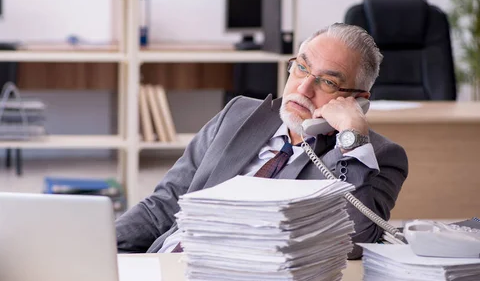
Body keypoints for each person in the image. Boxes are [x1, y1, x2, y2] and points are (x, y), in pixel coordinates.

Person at [116, 23, 408, 259]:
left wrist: (352, 140)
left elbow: (353, 243)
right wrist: (101, 247)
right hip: (166, 266)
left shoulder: (380, 156)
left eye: (328, 82)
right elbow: (164, 206)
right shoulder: (238, 113)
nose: (304, 88)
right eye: (301, 68)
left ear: (357, 100)